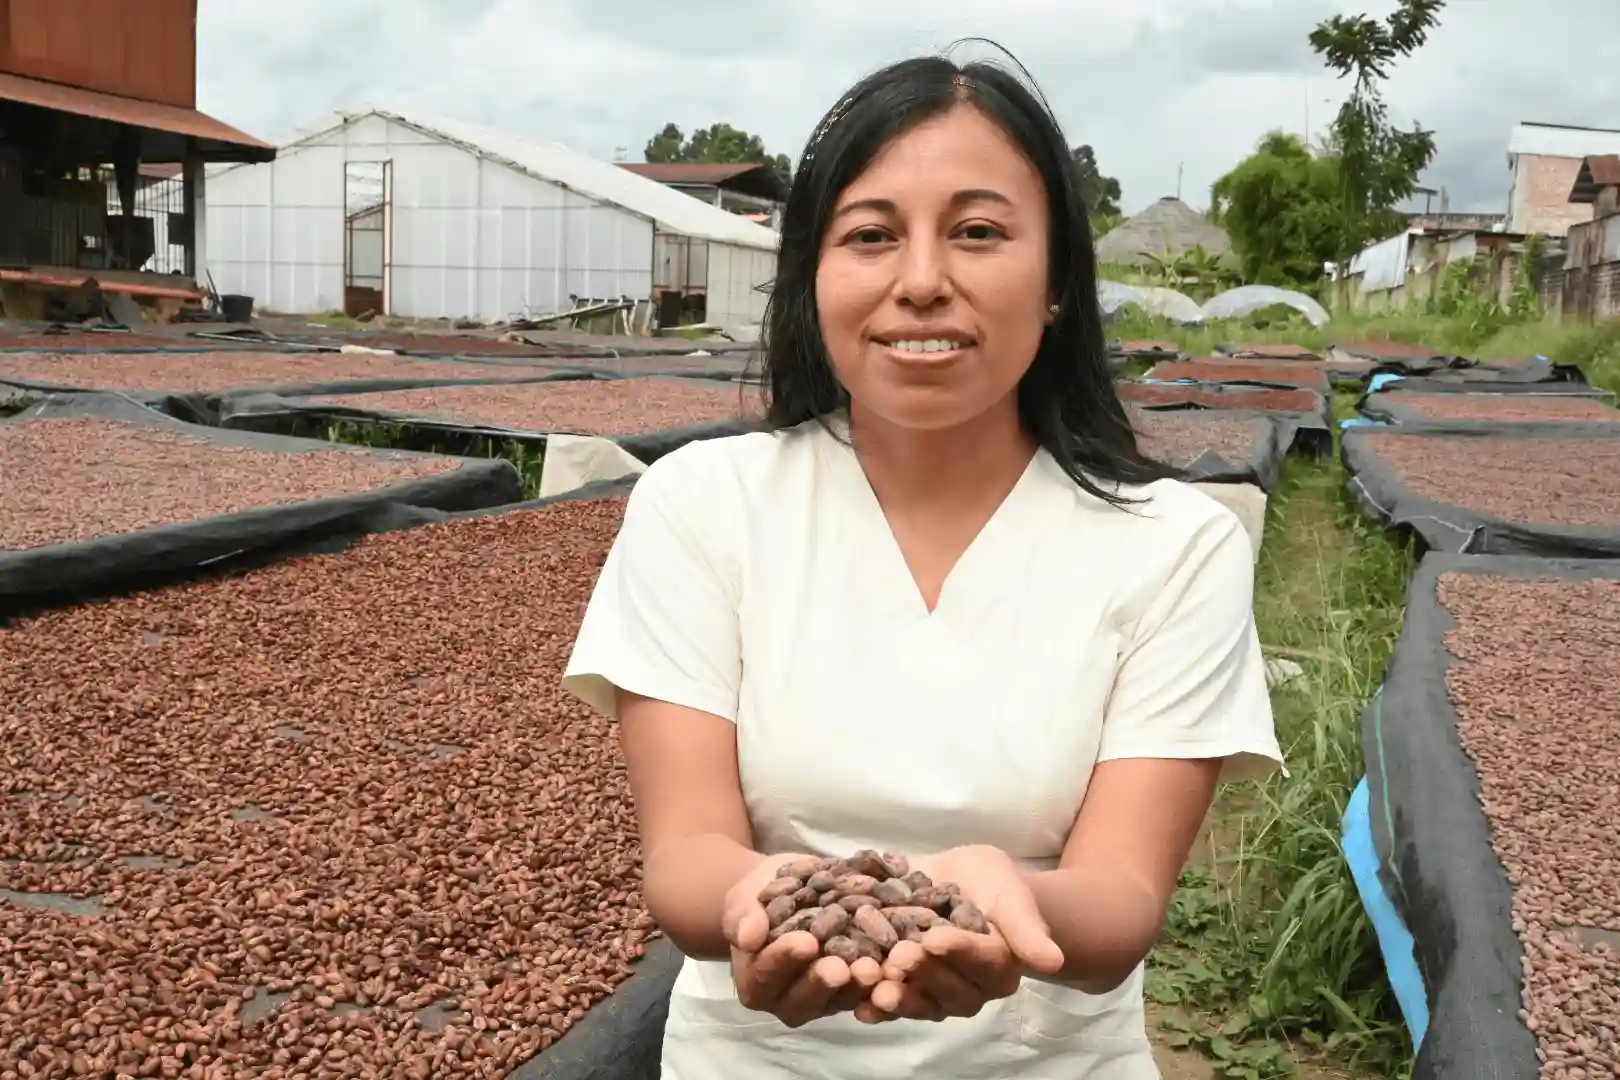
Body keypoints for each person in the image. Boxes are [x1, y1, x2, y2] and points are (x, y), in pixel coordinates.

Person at [564, 45, 1284, 1080]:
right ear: (812, 278)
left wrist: (1010, 900)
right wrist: (759, 907)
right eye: (870, 236)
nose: (922, 283)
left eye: (979, 233)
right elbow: (686, 854)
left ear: (1057, 286)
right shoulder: (703, 504)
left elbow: (1122, 897)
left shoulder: (1176, 543)